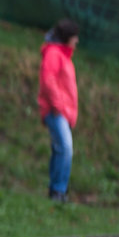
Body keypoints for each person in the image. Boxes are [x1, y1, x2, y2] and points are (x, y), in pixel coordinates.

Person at [37, 18, 78, 203]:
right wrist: (58, 106)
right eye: (75, 37)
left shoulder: (63, 55)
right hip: (56, 111)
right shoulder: (54, 54)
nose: (77, 41)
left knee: (59, 149)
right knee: (66, 148)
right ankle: (58, 191)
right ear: (68, 37)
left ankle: (56, 190)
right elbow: (48, 80)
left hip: (63, 111)